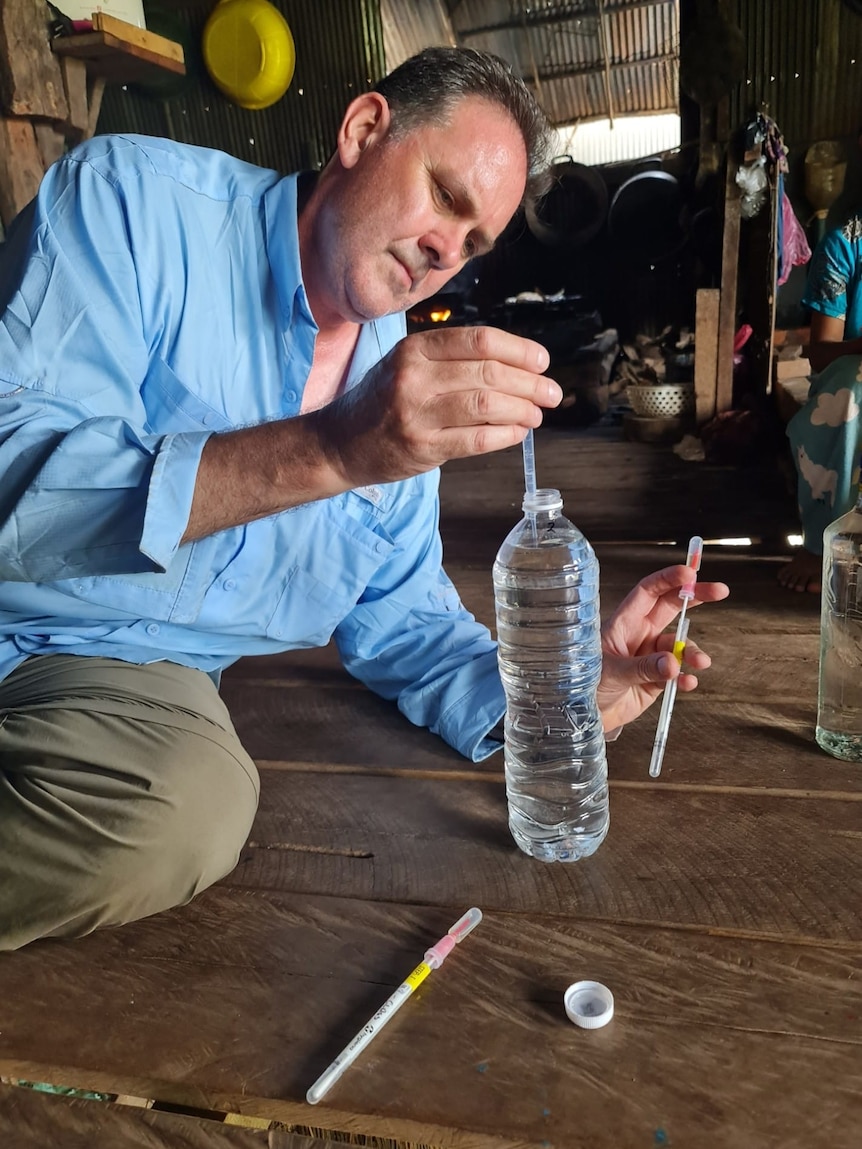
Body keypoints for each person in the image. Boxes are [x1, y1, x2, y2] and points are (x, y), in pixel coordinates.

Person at [0, 47, 729, 951]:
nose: (443, 251)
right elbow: (14, 480)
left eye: (472, 244)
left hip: (118, 679)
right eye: (445, 197)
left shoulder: (394, 377)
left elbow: (404, 619)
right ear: (362, 131)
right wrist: (330, 449)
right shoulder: (131, 205)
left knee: (186, 809)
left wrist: (569, 690)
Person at [780, 204, 862, 593]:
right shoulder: (846, 243)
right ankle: (824, 543)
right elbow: (822, 351)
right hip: (852, 374)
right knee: (850, 390)